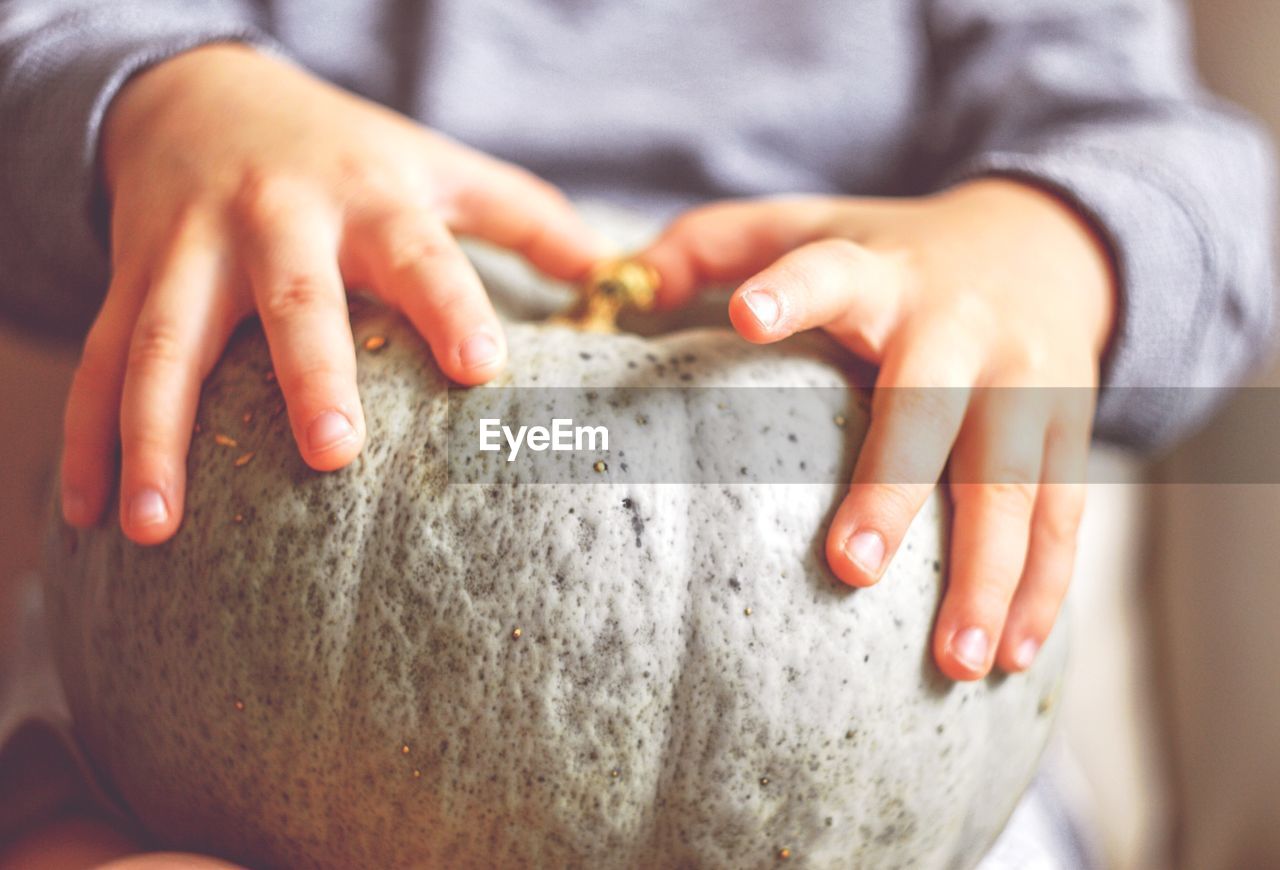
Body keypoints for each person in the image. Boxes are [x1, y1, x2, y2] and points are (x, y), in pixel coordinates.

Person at [0, 0, 1272, 866]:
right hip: (217, 770)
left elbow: (1194, 172)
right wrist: (160, 108)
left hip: (861, 809)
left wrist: (1053, 243)